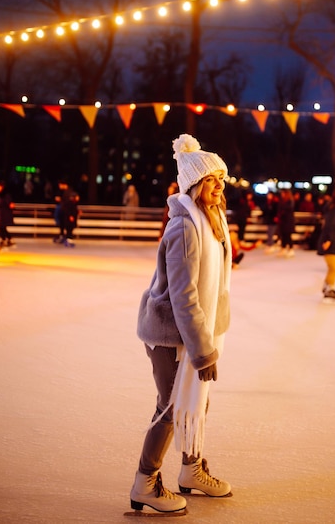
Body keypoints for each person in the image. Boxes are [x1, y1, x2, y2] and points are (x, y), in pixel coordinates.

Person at [129, 134, 232, 515]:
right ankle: (145, 482)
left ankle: (191, 470)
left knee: (196, 403)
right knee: (172, 407)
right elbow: (184, 296)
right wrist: (203, 352)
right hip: (170, 335)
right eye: (211, 180)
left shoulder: (212, 219)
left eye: (221, 178)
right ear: (194, 184)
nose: (219, 186)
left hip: (196, 331)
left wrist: (209, 339)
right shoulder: (186, 228)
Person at [0, 181, 15, 247]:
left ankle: (6, 239)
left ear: (1, 187)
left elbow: (10, 203)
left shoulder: (5, 194)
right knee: (1, 227)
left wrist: (11, 204)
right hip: (1, 213)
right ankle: (7, 239)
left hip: (5, 213)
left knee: (2, 227)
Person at [276, 188, 295, 257]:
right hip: (283, 222)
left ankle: (291, 249)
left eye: (283, 193)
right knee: (283, 236)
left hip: (288, 222)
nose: (282, 194)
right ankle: (283, 248)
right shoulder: (282, 201)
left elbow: (288, 210)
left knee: (288, 236)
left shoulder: (290, 201)